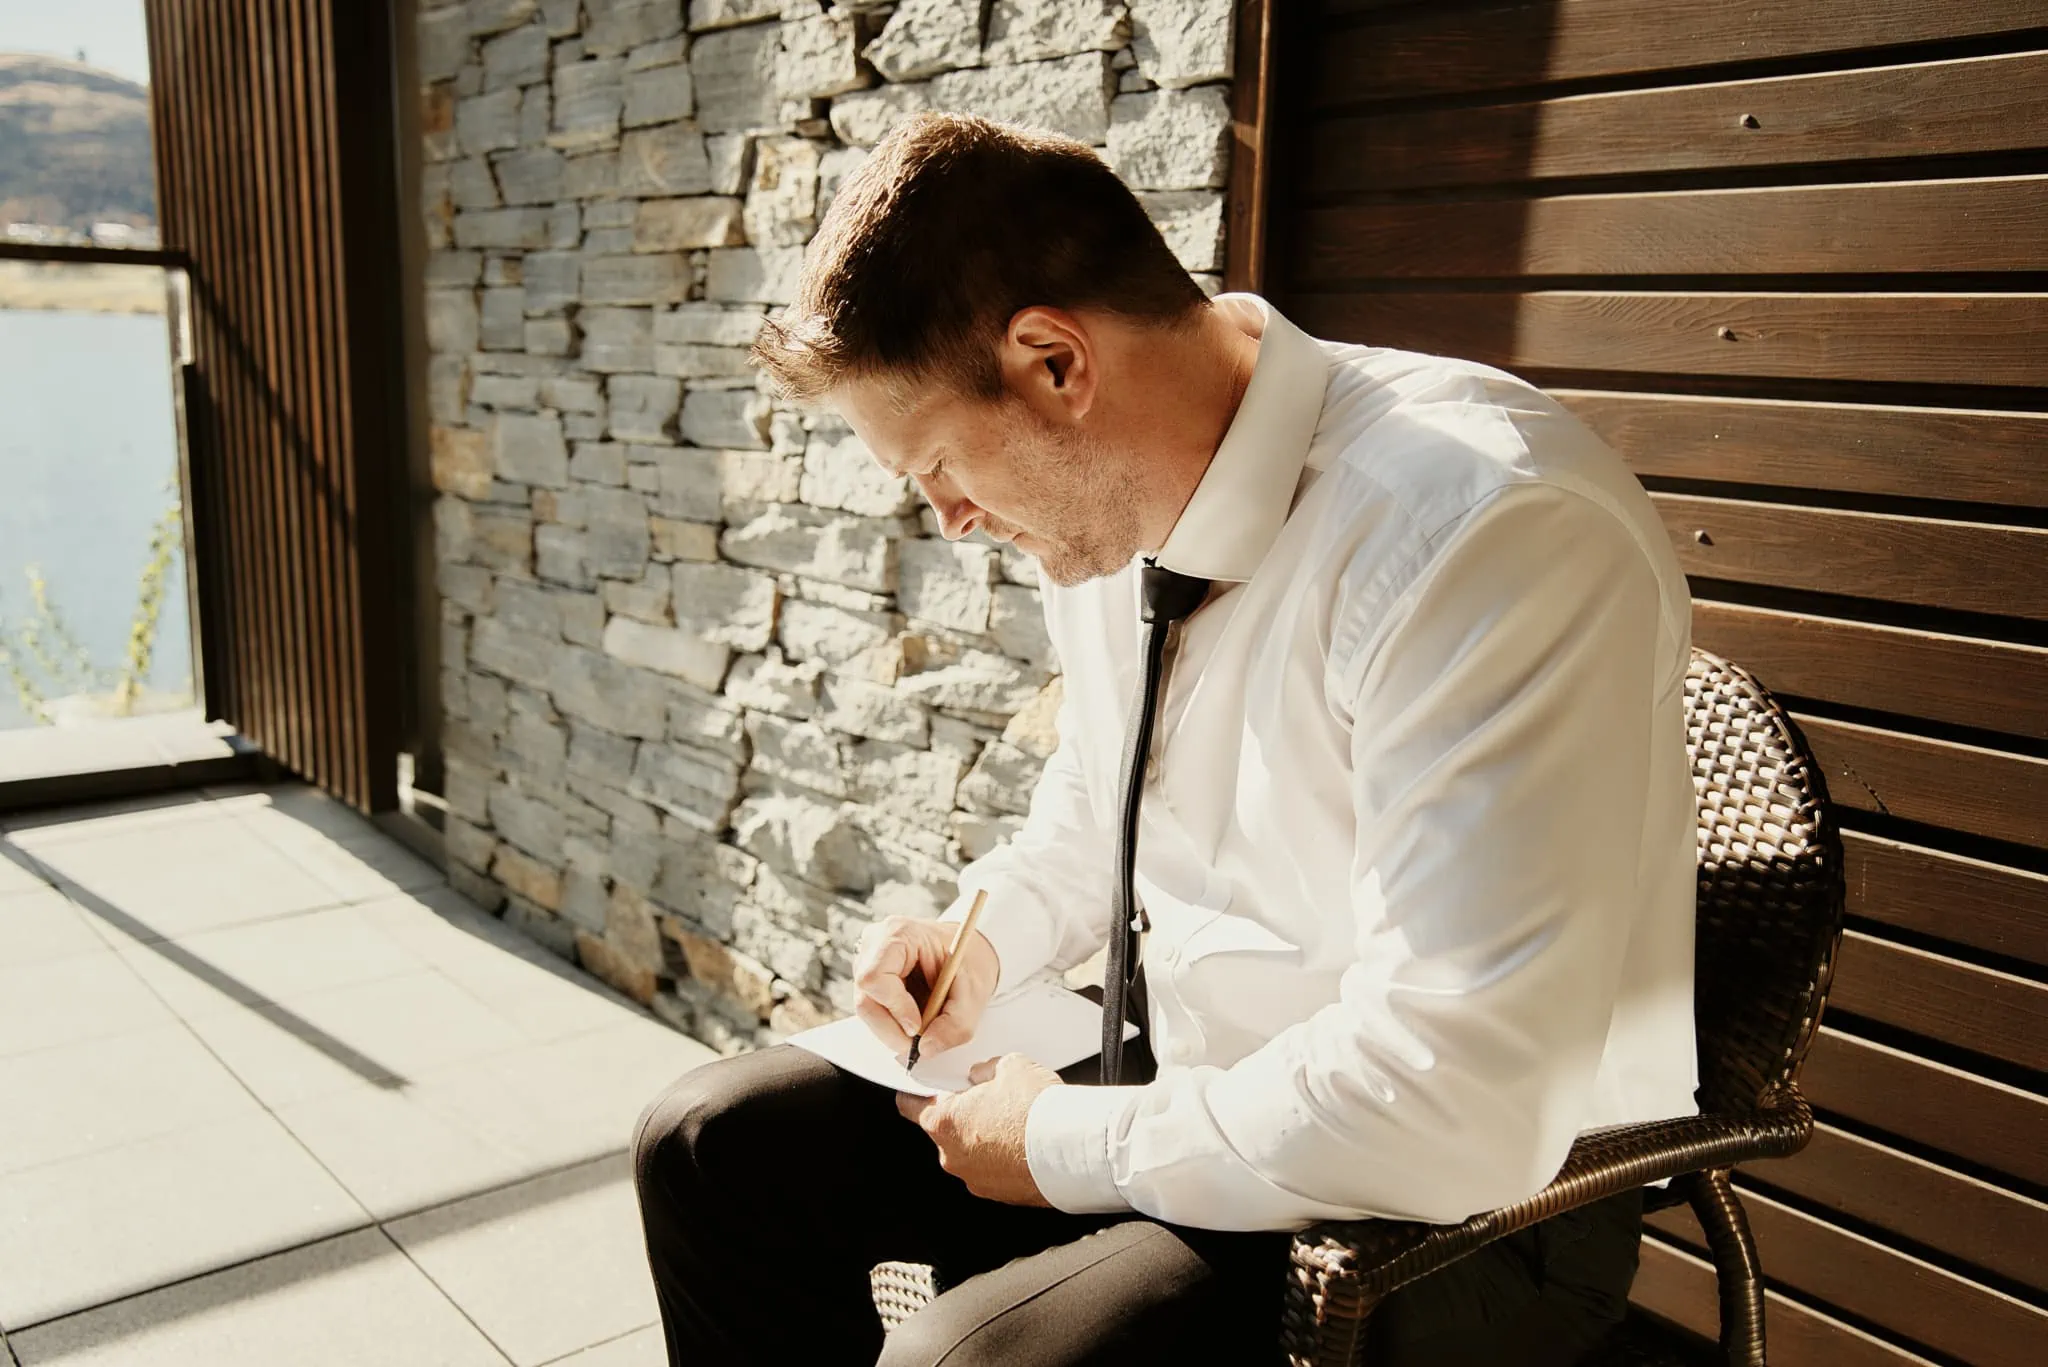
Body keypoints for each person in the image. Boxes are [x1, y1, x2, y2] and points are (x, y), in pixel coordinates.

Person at [631, 112, 1697, 1367]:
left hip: (1461, 1204)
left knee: (963, 1359)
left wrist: (1063, 1144)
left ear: (1051, 362)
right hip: (1187, 1081)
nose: (954, 519)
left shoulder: (1484, 529)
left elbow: (1451, 1090)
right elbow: (1098, 806)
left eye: (936, 466)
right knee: (709, 1142)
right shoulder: (1104, 508)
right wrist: (983, 938)